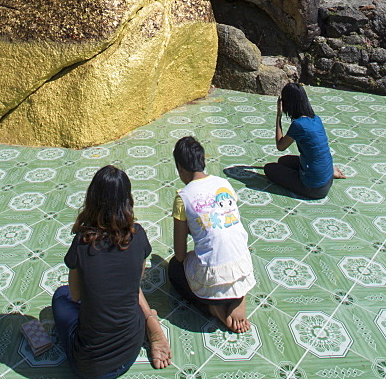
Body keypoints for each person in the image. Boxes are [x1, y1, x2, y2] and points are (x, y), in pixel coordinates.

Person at [52, 165, 171, 378]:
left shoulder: (82, 243)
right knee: (125, 292)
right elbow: (134, 285)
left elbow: (76, 295)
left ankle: (145, 323)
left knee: (61, 296)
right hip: (130, 350)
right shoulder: (139, 235)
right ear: (128, 200)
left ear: (92, 199)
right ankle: (150, 323)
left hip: (91, 366)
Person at [168, 136, 254, 334]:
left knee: (174, 268)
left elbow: (180, 255)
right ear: (203, 162)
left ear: (180, 168)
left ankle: (214, 309)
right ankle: (239, 298)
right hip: (244, 266)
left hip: (213, 276)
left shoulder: (183, 197)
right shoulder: (224, 183)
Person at [263, 82, 345, 199]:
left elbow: (280, 146)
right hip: (326, 177)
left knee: (269, 168)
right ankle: (330, 172)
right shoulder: (316, 119)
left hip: (314, 188)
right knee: (283, 161)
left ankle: (309, 179)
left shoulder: (298, 125)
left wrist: (278, 116)